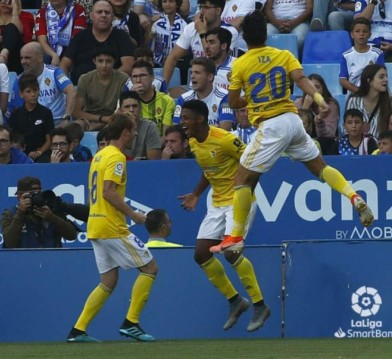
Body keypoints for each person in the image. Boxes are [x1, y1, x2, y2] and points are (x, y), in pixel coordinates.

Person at [215, 10, 374, 255]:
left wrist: (254, 100)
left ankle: (234, 237)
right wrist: (319, 98)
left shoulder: (240, 64)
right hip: (293, 119)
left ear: (245, 37)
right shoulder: (283, 54)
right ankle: (353, 196)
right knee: (320, 167)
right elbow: (301, 79)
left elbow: (234, 102)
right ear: (266, 35)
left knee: (241, 180)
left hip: (270, 125)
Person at [178, 98, 270, 332]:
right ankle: (235, 300)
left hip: (238, 202)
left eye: (186, 118)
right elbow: (209, 170)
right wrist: (196, 194)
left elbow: (254, 163)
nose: (182, 122)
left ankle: (260, 306)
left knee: (230, 252)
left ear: (200, 119)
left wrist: (245, 191)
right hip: (217, 203)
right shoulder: (194, 142)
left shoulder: (226, 140)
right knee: (200, 254)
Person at [67, 113, 158, 343]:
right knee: (150, 268)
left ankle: (78, 330)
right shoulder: (117, 158)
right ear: (125, 133)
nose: (136, 133)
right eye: (134, 129)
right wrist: (133, 214)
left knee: (108, 280)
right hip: (111, 226)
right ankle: (132, 322)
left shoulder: (99, 156)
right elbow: (108, 191)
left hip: (95, 225)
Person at [161, 0, 238, 87]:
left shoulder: (229, 32)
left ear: (218, 11)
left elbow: (213, 60)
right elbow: (173, 57)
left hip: (222, 84)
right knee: (172, 95)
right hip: (196, 85)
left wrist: (202, 33)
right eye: (201, 7)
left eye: (206, 8)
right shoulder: (191, 28)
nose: (202, 12)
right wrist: (163, 88)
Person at [60, 0, 135, 85]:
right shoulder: (80, 36)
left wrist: (104, 81)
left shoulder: (122, 36)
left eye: (107, 12)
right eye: (99, 12)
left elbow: (128, 66)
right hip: (80, 89)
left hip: (112, 87)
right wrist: (67, 86)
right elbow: (64, 65)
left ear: (113, 17)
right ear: (91, 16)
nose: (103, 15)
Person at [9, 42, 76, 127]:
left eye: (27, 58)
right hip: (33, 125)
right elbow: (15, 108)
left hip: (58, 123)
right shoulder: (19, 80)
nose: (23, 62)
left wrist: (66, 118)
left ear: (40, 58)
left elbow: (71, 91)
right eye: (21, 58)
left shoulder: (54, 72)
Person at [1, 176, 78, 248]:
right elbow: (9, 244)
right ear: (20, 196)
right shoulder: (10, 213)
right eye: (32, 194)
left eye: (39, 193)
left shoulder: (50, 209)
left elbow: (72, 236)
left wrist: (52, 218)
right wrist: (20, 213)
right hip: (22, 259)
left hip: (52, 258)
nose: (36, 197)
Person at [73, 47, 129, 131]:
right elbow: (76, 112)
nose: (104, 65)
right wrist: (102, 119)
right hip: (89, 118)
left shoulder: (123, 78)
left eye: (108, 61)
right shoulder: (85, 79)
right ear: (94, 61)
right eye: (100, 61)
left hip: (114, 118)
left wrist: (109, 119)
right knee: (76, 126)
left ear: (114, 62)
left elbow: (124, 107)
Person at [173, 57, 233, 128]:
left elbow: (225, 128)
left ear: (210, 77)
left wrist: (195, 130)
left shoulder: (224, 96)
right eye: (191, 73)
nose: (192, 76)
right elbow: (177, 127)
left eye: (197, 73)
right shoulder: (183, 99)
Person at [0, 0, 36, 73]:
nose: (3, 1)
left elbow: (22, 34)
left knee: (11, 27)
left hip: (17, 57)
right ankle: (2, 57)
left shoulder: (26, 16)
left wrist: (15, 11)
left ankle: (3, 56)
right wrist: (10, 37)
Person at [8, 74, 54, 161]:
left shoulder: (46, 113)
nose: (33, 94)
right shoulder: (15, 114)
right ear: (21, 94)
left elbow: (49, 140)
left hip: (42, 155)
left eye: (35, 90)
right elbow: (13, 139)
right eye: (28, 91)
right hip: (20, 156)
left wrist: (39, 152)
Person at [294, 74, 340, 155]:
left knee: (324, 141)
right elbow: (297, 133)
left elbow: (329, 135)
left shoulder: (330, 105)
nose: (313, 91)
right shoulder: (298, 104)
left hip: (325, 145)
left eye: (317, 87)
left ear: (323, 90)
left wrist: (319, 121)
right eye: (310, 88)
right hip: (304, 143)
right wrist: (305, 110)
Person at [34, 0, 88, 66]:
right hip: (50, 55)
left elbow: (77, 40)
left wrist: (65, 61)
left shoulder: (78, 10)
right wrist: (54, 56)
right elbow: (42, 41)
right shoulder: (42, 13)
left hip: (71, 54)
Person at [340, 17, 385, 95]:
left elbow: (381, 76)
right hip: (353, 97)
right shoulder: (346, 55)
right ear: (352, 34)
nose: (361, 34)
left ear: (370, 34)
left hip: (373, 95)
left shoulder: (377, 53)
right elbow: (343, 80)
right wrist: (358, 91)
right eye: (357, 31)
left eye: (365, 31)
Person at [345, 64, 391, 139]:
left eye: (386, 76)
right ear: (369, 81)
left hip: (379, 148)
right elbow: (347, 129)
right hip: (357, 147)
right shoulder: (353, 101)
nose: (386, 79)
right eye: (381, 77)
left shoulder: (389, 103)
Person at [129, 60, 175, 135]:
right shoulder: (126, 100)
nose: (138, 80)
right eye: (135, 76)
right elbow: (117, 124)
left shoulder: (167, 101)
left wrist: (154, 146)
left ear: (152, 77)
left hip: (159, 144)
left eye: (142, 75)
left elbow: (166, 135)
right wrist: (130, 96)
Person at [120, 91, 162, 160]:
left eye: (134, 106)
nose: (131, 110)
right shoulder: (114, 127)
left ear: (140, 108)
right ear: (121, 110)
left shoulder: (150, 127)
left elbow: (154, 160)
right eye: (127, 107)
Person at [149, 0, 187, 67]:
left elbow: (186, 48)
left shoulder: (184, 25)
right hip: (157, 63)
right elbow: (149, 43)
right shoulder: (156, 23)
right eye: (164, 1)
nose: (167, 4)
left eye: (171, 1)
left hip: (178, 63)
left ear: (177, 4)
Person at [203, 27, 236, 92]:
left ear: (224, 46)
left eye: (212, 42)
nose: (206, 46)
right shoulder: (201, 65)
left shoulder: (237, 65)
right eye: (206, 42)